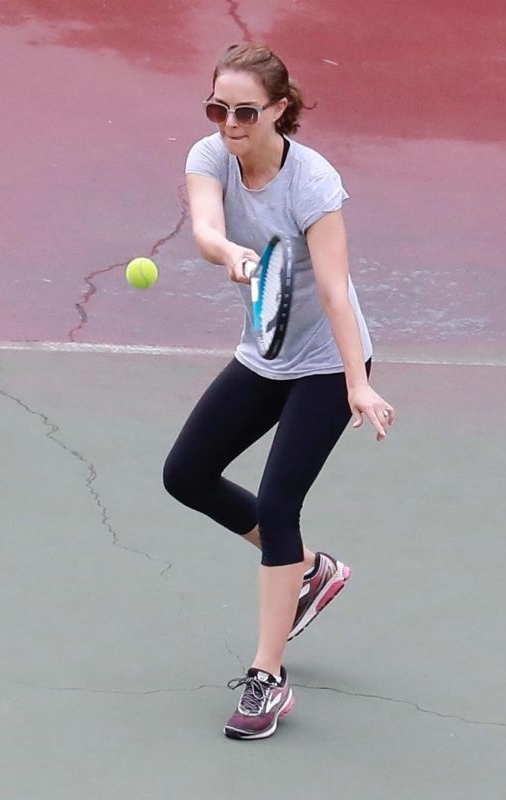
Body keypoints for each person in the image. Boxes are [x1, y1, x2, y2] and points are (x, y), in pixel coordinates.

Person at [163, 42, 395, 741]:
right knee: (186, 474)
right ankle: (307, 570)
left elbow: (332, 289)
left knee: (279, 503)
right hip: (266, 353)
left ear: (279, 110)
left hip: (327, 363)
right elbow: (205, 226)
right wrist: (227, 250)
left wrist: (357, 383)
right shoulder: (210, 158)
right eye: (216, 109)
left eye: (243, 111)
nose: (228, 123)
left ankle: (267, 678)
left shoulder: (312, 183)